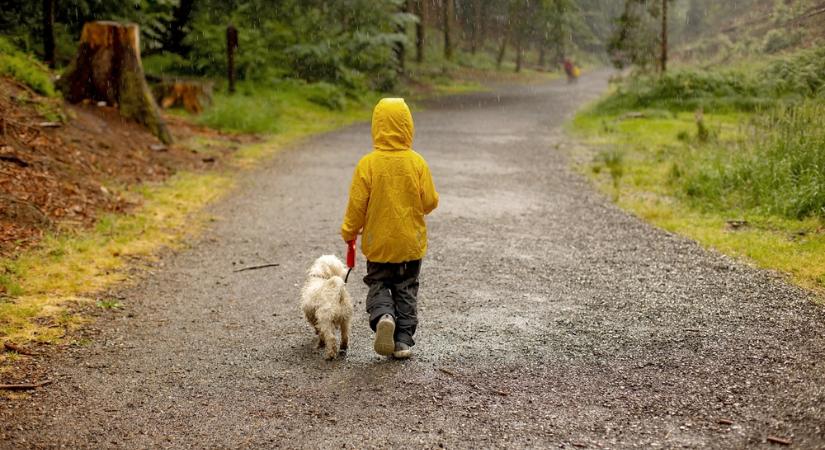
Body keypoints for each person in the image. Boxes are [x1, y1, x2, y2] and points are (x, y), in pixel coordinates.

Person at [341, 98, 439, 360]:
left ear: (377, 126)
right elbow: (429, 202)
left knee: (379, 283)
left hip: (378, 243)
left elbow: (357, 205)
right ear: (408, 126)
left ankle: (384, 315)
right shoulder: (417, 163)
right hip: (410, 244)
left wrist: (349, 231)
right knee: (406, 287)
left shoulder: (368, 164)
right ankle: (403, 341)